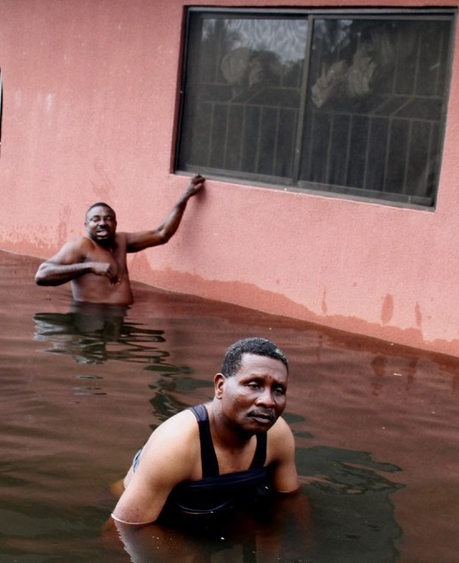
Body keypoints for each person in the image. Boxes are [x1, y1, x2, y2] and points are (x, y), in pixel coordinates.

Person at [111, 337, 299, 527]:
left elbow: (290, 501)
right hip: (162, 520)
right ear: (220, 386)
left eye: (278, 390)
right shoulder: (176, 442)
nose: (268, 401)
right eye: (254, 385)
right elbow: (121, 531)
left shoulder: (277, 434)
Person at [35, 175, 205, 306]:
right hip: (91, 323)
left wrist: (185, 196)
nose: (102, 223)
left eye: (108, 219)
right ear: (86, 224)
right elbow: (42, 275)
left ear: (115, 223)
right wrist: (89, 267)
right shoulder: (81, 246)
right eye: (96, 219)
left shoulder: (121, 240)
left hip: (121, 321)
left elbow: (162, 233)